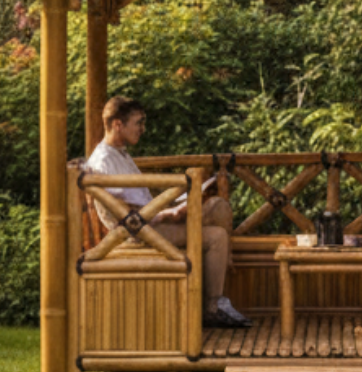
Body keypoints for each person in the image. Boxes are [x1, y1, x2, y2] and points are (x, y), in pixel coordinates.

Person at [85, 95, 252, 328]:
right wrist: (166, 215)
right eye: (139, 122)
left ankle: (214, 296)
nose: (143, 129)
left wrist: (170, 210)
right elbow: (125, 213)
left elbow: (136, 202)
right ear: (117, 124)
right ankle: (213, 303)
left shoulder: (119, 153)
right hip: (137, 233)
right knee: (217, 235)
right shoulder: (104, 160)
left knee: (217, 207)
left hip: (148, 222)